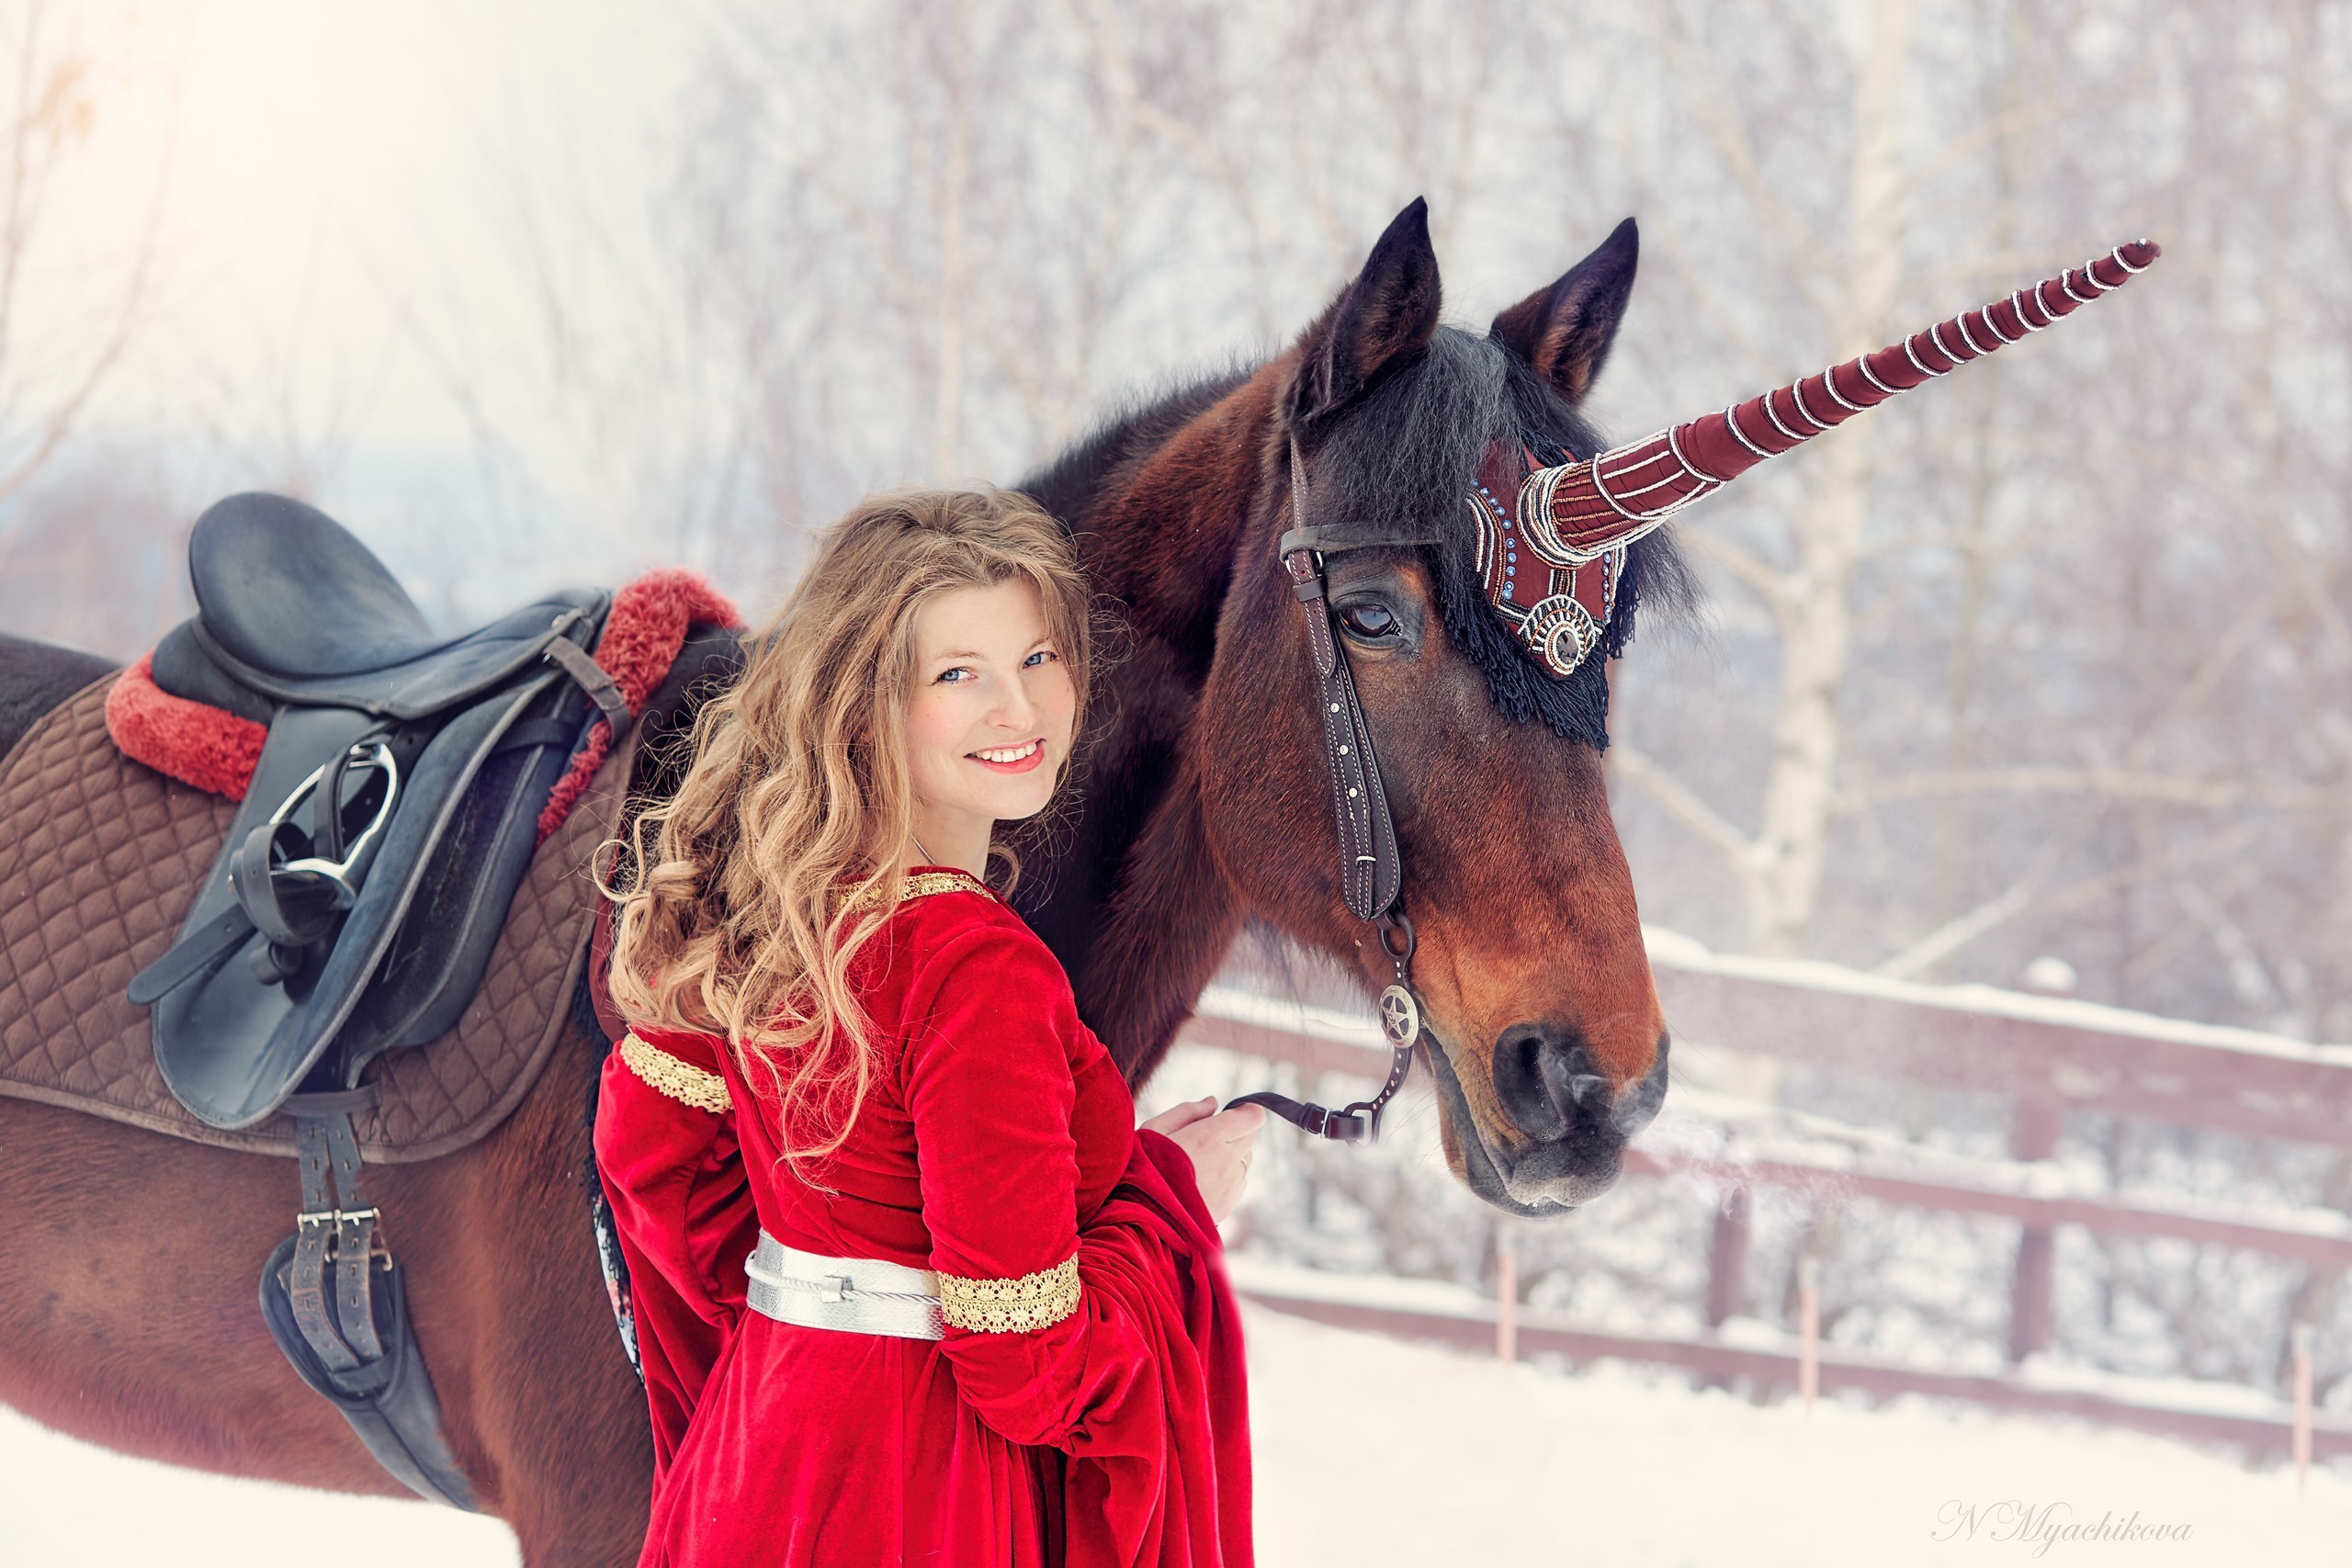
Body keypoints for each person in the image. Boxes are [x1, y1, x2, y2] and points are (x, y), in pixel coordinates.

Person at [594, 487, 1265, 1567]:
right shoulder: (976, 970)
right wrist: (1167, 1202)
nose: (1022, 709)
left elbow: (656, 1170)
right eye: (960, 675)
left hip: (758, 1459)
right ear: (864, 706)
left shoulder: (762, 912)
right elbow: (1024, 1363)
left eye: (1038, 659)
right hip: (920, 1499)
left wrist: (814, 1330)